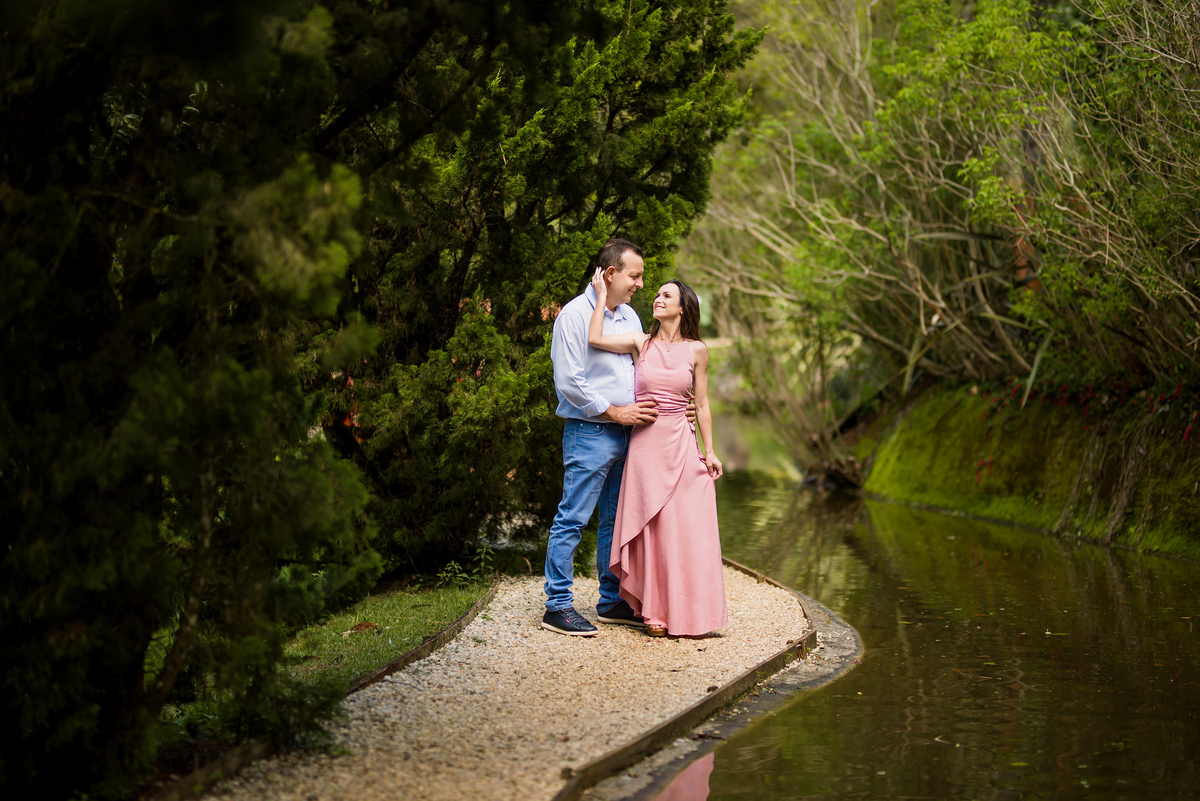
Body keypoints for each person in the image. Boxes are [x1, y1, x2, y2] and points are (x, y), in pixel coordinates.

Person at [587, 271, 727, 637]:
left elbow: (703, 402)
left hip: (681, 442)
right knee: (651, 527)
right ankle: (654, 610)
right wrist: (602, 295)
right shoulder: (640, 342)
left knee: (682, 527)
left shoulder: (698, 350)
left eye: (667, 296)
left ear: (682, 308)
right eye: (658, 295)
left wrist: (709, 451)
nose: (658, 299)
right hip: (646, 444)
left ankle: (689, 611)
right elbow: (595, 338)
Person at [541, 239, 660, 636]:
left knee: (614, 519)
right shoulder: (573, 316)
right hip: (589, 432)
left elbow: (641, 373)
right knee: (572, 518)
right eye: (635, 275)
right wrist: (615, 411)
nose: (640, 284)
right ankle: (557, 605)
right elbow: (569, 382)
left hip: (629, 436)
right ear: (610, 274)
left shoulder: (629, 318)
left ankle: (610, 601)